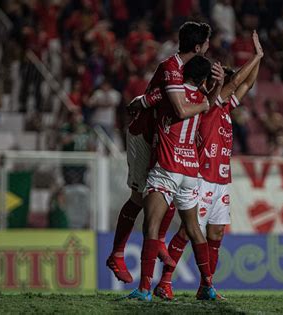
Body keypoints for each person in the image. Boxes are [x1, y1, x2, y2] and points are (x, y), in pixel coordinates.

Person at [106, 21, 223, 287]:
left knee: (166, 192)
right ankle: (117, 253)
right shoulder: (171, 67)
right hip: (144, 134)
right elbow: (179, 106)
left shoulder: (190, 71)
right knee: (139, 196)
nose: (208, 48)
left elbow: (169, 96)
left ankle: (156, 241)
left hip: (163, 139)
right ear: (198, 46)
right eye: (206, 44)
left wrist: (145, 99)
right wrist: (145, 101)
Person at [152, 31, 263, 301]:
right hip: (201, 177)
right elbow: (238, 79)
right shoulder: (210, 105)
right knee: (187, 231)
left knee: (215, 232)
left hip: (221, 180)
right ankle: (165, 282)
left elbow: (246, 83)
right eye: (224, 82)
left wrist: (258, 61)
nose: (230, 87)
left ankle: (206, 286)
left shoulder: (225, 108)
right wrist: (257, 55)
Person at [126, 55, 218, 301]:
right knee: (194, 229)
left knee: (151, 227)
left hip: (167, 168)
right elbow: (212, 97)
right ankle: (208, 285)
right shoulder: (203, 99)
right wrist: (215, 85)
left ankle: (145, 289)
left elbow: (141, 102)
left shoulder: (170, 94)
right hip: (190, 171)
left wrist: (135, 105)